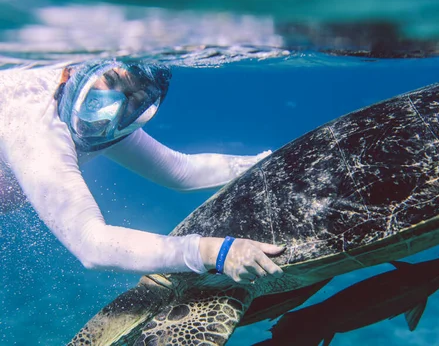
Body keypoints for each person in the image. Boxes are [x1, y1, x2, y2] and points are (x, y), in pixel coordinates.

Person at [0, 60, 283, 284]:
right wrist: (215, 253)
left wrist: (276, 162)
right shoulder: (32, 125)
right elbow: (91, 243)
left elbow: (181, 171)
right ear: (72, 70)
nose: (115, 106)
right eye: (110, 80)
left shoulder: (105, 120)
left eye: (136, 99)